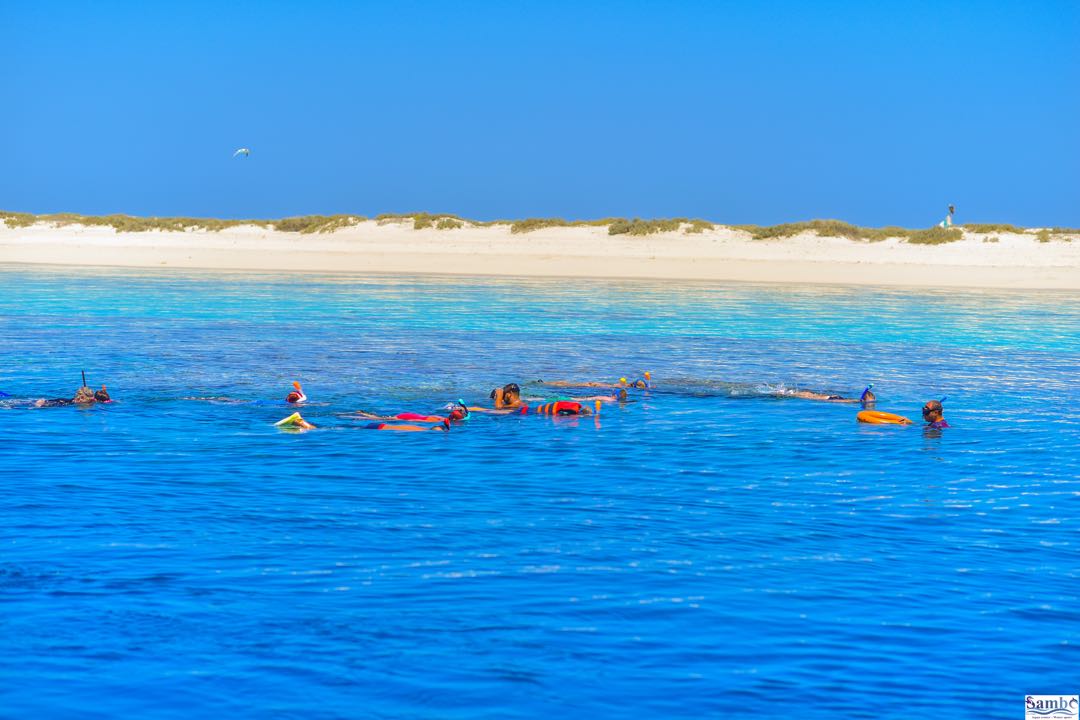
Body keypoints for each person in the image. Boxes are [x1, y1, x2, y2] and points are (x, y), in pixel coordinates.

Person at [354, 402, 469, 424]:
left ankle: (363, 413)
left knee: (383, 418)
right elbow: (417, 421)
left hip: (411, 414)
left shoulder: (440, 417)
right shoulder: (437, 420)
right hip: (408, 417)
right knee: (381, 419)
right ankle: (362, 415)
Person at [536, 372, 651, 390]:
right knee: (568, 385)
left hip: (593, 384)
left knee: (567, 384)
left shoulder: (623, 384)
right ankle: (545, 383)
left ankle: (545, 383)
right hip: (592, 386)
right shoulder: (624, 387)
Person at [35, 384, 111, 408]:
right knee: (48, 404)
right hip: (67, 403)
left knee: (50, 401)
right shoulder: (92, 401)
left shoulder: (91, 397)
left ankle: (42, 402)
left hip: (67, 400)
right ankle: (41, 404)